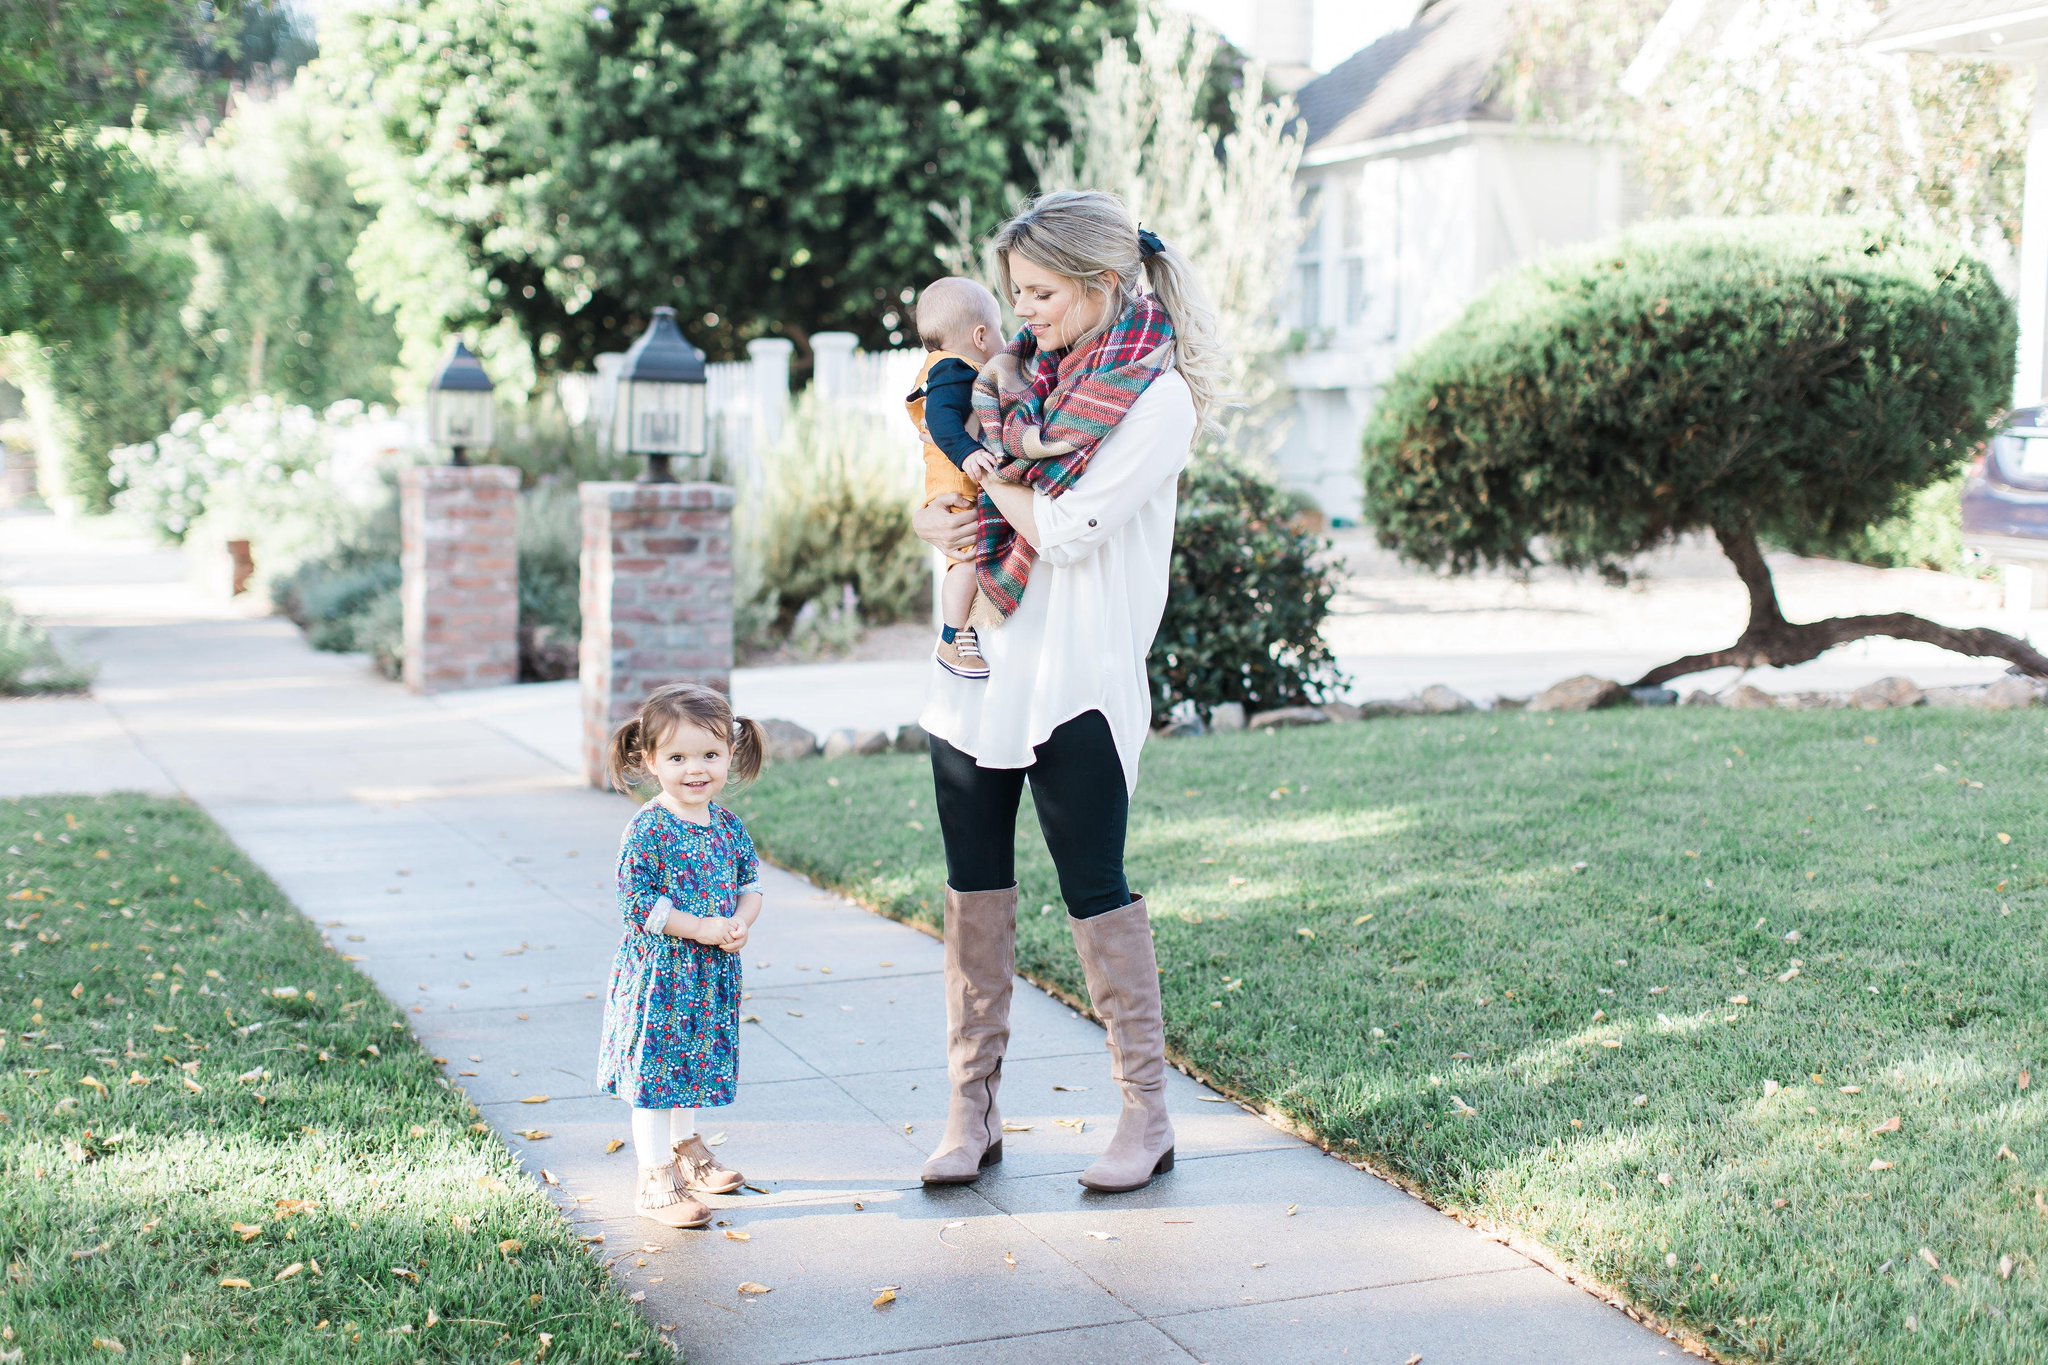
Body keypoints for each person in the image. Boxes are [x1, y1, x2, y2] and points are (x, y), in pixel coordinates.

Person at [912, 189, 1225, 1194]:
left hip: (1077, 675)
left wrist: (981, 475)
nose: (1024, 314)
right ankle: (973, 1109)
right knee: (972, 890)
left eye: (1040, 294)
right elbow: (951, 495)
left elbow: (1070, 528)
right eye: (1014, 296)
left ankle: (1144, 1114)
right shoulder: (1008, 380)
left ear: (1099, 284)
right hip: (976, 666)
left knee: (1095, 890)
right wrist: (938, 511)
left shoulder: (1155, 397)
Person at [595, 682, 768, 1228]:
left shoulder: (726, 825)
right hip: (661, 977)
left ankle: (685, 1147)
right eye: (677, 758)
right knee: (655, 1075)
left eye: (710, 756)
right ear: (650, 760)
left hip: (708, 971)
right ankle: (653, 1178)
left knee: (689, 1064)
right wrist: (702, 928)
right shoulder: (650, 828)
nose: (696, 770)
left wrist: (739, 921)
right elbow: (638, 904)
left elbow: (752, 883)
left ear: (730, 755)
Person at [904, 277, 1006, 679]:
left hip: (955, 475)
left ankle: (958, 634)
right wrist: (968, 454)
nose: (1004, 340)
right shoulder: (952, 368)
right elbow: (940, 419)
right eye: (1000, 331)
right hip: (955, 480)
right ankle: (953, 638)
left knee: (966, 558)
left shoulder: (946, 368)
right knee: (963, 561)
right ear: (980, 336)